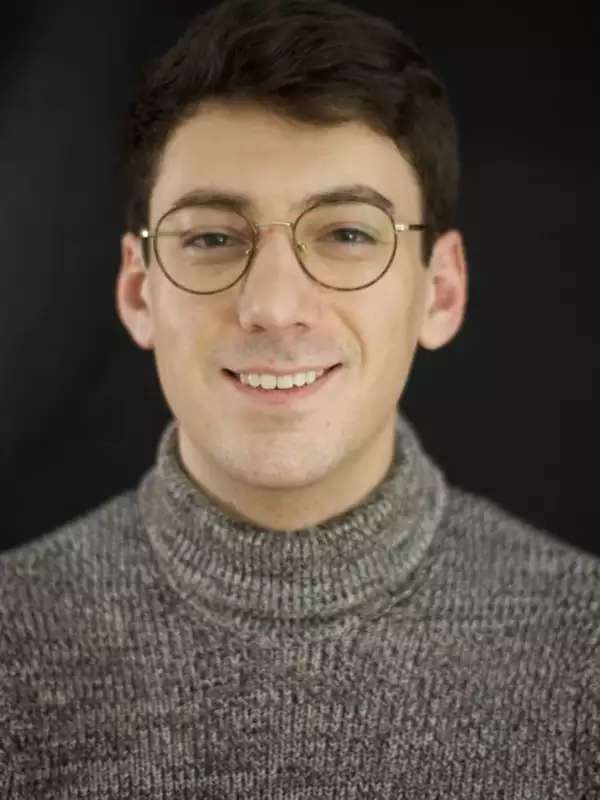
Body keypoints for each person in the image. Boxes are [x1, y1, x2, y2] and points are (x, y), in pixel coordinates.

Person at [1, 0, 598, 796]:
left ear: (441, 292)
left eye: (348, 233)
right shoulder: (13, 641)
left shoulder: (583, 647)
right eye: (212, 237)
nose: (274, 305)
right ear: (140, 291)